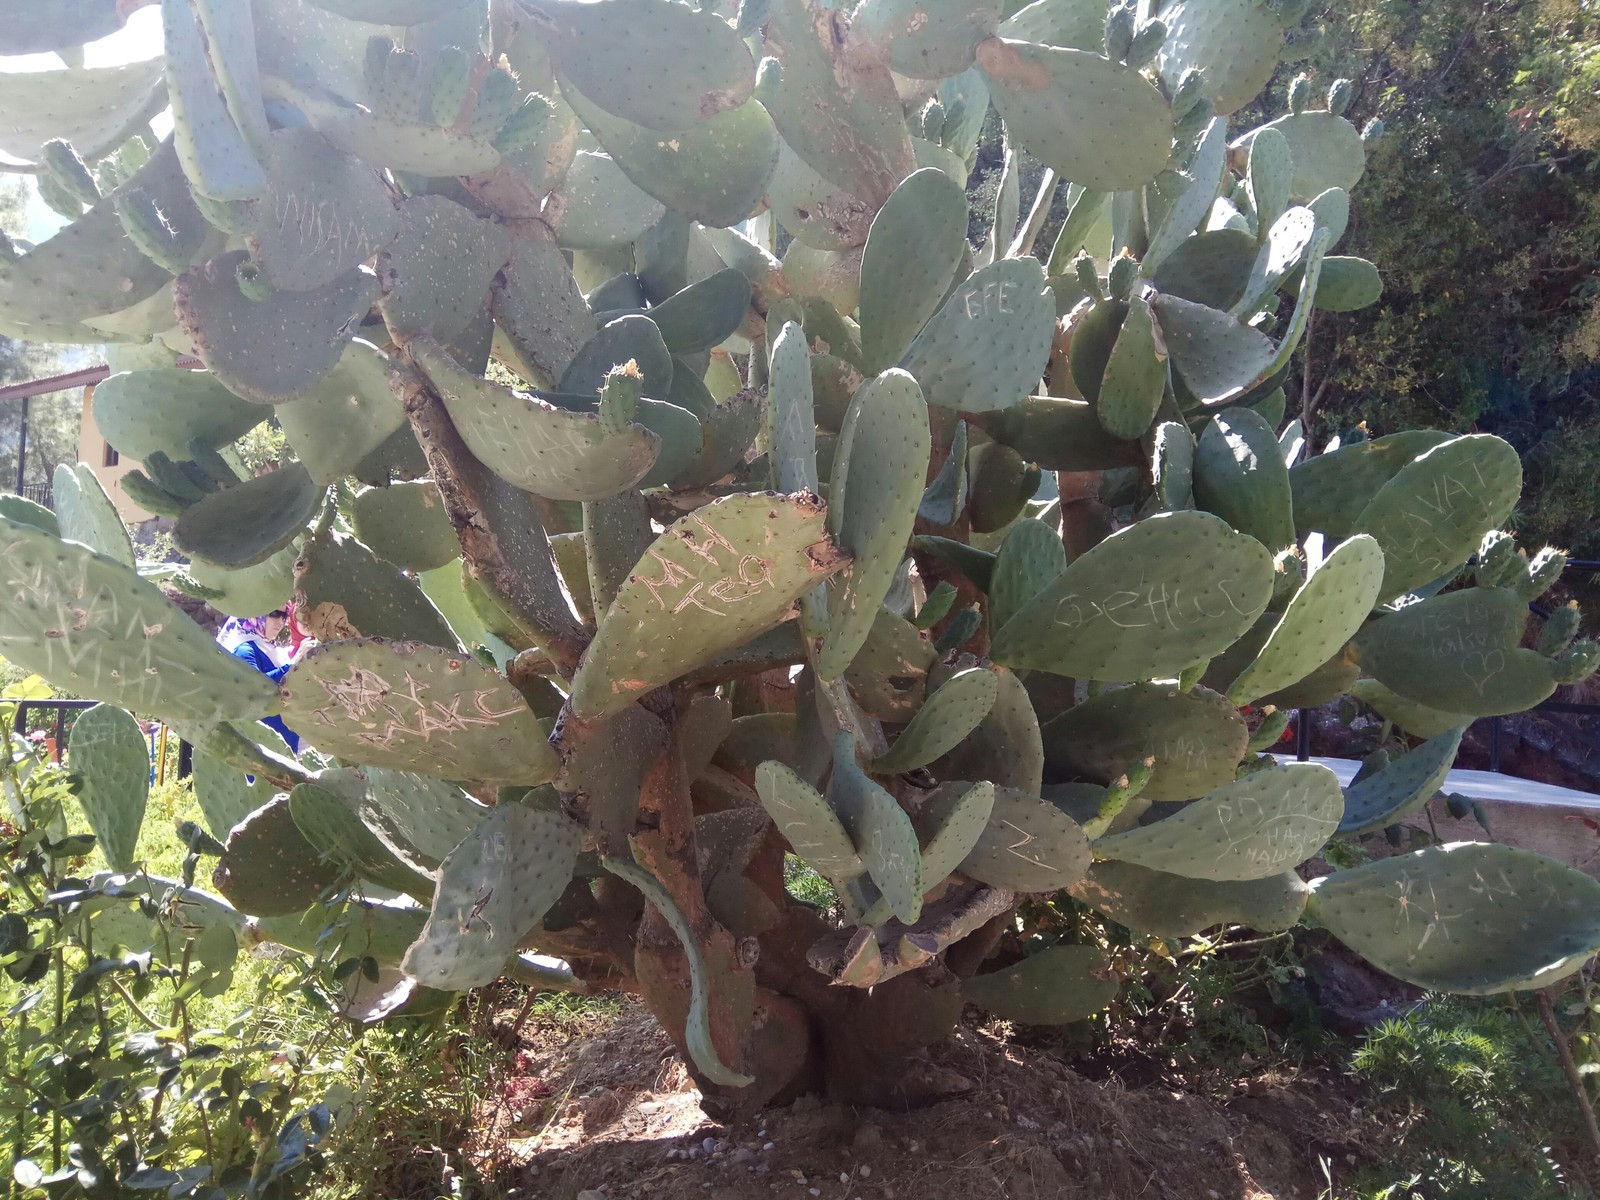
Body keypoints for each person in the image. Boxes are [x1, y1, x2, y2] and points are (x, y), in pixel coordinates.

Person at [216, 609, 301, 752]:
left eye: (284, 616)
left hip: (285, 742)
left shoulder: (270, 648)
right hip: (263, 749)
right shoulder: (244, 650)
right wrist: (294, 665)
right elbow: (255, 690)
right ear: (256, 615)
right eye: (274, 614)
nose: (280, 622)